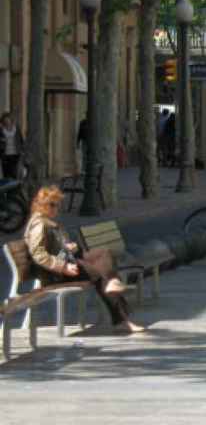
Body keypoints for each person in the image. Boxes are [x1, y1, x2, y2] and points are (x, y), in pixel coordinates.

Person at [24, 186, 143, 332]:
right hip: (56, 273)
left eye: (58, 205)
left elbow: (58, 247)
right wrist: (63, 267)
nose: (57, 209)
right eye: (53, 205)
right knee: (99, 275)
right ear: (43, 205)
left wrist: (72, 247)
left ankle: (113, 281)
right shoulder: (39, 224)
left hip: (69, 260)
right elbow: (38, 254)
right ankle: (122, 320)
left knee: (103, 253)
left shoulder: (47, 220)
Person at [0, 113, 23, 180]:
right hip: (5, 154)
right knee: (6, 173)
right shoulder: (1, 130)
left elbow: (21, 140)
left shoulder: (16, 129)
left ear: (11, 120)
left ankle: (14, 187)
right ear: (3, 121)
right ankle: (8, 188)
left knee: (14, 172)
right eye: (5, 120)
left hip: (16, 154)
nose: (7, 121)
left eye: (8, 119)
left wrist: (22, 150)